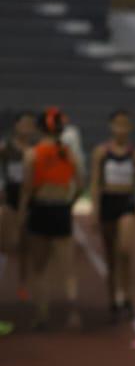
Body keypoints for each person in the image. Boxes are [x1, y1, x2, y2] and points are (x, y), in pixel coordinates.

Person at [18, 107, 84, 329]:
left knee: (39, 267)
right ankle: (73, 313)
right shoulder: (68, 153)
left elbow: (27, 189)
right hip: (61, 209)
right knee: (67, 268)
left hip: (40, 210)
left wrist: (21, 214)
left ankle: (41, 315)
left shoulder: (32, 154)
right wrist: (70, 202)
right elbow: (81, 184)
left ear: (39, 128)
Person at [89, 109, 135, 318]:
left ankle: (127, 296)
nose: (121, 129)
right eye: (117, 124)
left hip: (126, 203)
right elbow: (96, 183)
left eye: (125, 124)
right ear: (111, 126)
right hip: (108, 202)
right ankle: (112, 298)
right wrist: (94, 211)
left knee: (124, 250)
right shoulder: (101, 152)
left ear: (130, 128)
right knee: (110, 256)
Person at [1, 110, 40, 301]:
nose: (27, 128)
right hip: (10, 198)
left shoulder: (36, 151)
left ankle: (23, 286)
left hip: (31, 201)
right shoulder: (6, 148)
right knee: (5, 243)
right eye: (23, 124)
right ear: (16, 126)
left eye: (30, 125)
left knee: (26, 246)